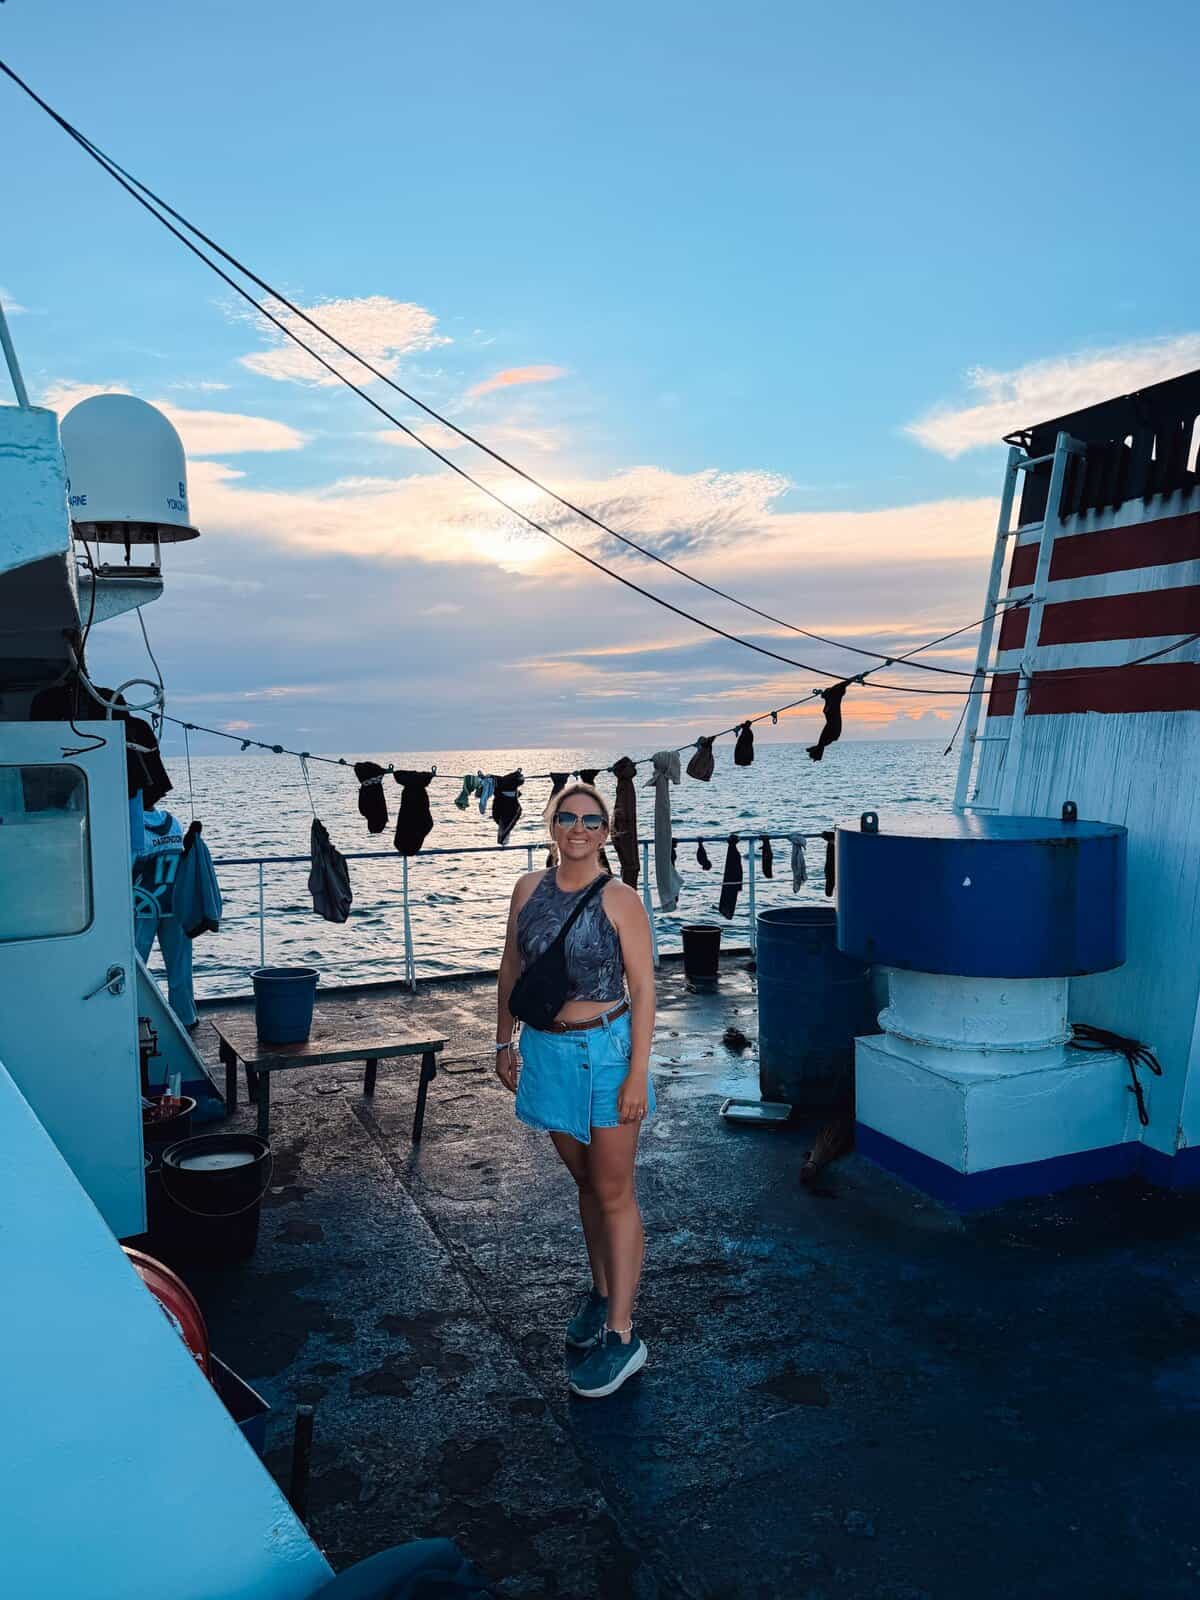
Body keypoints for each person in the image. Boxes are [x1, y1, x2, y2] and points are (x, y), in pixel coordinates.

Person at [496, 781, 656, 1399]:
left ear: (607, 831)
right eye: (568, 817)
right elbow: (512, 966)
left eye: (592, 820)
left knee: (614, 1189)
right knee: (585, 1182)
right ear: (552, 825)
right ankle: (601, 1290)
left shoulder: (622, 900)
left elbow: (644, 990)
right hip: (546, 1049)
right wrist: (503, 1039)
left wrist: (637, 1073)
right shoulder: (527, 890)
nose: (580, 828)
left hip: (606, 1052)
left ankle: (623, 1336)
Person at [133, 807, 198, 1029]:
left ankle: (134, 1014)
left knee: (135, 964)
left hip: (143, 905)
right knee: (180, 966)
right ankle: (186, 1017)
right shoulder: (174, 822)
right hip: (173, 901)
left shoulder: (133, 826)